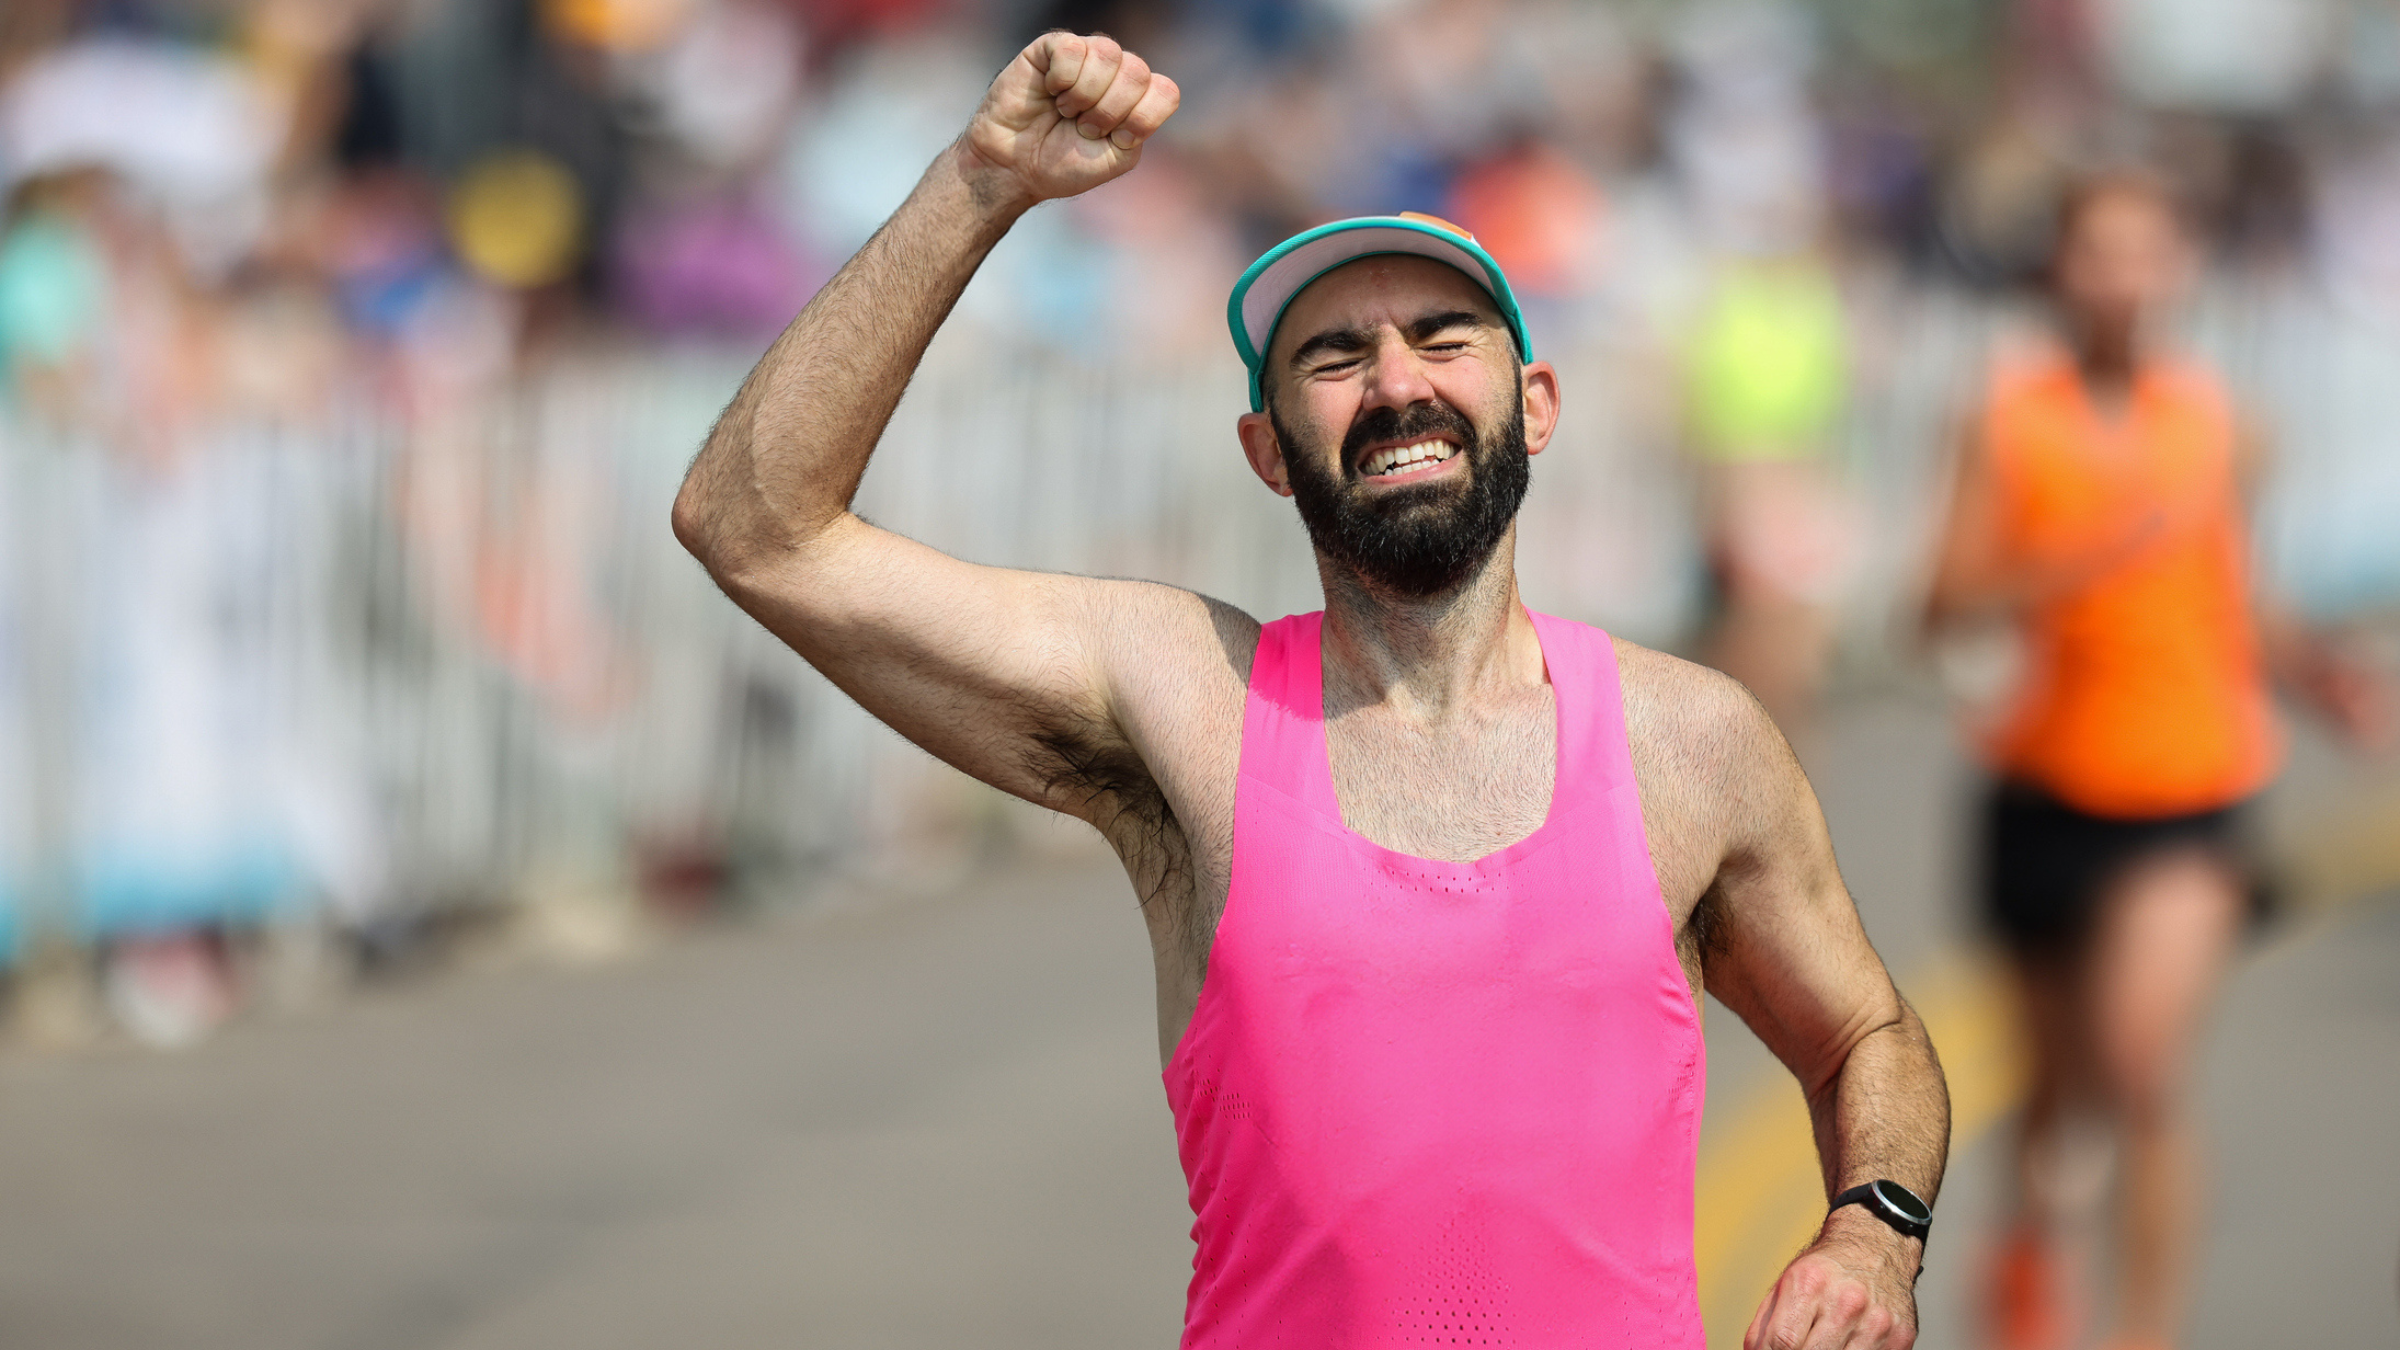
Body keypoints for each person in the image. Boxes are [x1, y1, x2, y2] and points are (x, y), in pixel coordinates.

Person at [675, 31, 1949, 1349]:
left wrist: (1874, 1226)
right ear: (1268, 452)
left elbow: (1869, 1034)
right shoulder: (1189, 703)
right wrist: (983, 181)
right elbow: (753, 523)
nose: (1397, 382)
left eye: (1442, 338)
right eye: (1335, 359)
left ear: (1538, 401)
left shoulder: (1690, 740)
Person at [1923, 172, 2387, 1350]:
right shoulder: (2008, 417)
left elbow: (2238, 590)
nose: (2122, 277)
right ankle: (2028, 1288)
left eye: (2146, 251)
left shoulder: (2222, 421)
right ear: (2060, 269)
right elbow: (1940, 608)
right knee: (2057, 1093)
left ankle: (2144, 1331)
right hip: (2044, 785)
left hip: (2188, 787)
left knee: (2141, 1070)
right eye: (2098, 252)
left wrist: (2320, 674)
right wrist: (2060, 567)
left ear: (2179, 266)